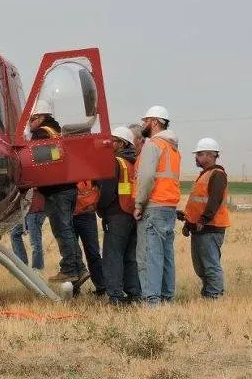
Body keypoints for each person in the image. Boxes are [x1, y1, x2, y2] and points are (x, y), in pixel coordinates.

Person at [30, 99, 87, 283]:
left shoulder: (40, 134)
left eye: (31, 119)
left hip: (56, 191)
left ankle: (70, 269)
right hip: (67, 188)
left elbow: (37, 163)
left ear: (39, 117)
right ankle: (80, 268)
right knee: (67, 229)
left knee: (63, 231)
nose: (29, 124)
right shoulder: (56, 132)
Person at [133, 106, 181, 305]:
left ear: (154, 122)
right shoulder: (172, 147)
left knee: (149, 255)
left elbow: (146, 177)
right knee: (166, 255)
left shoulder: (153, 145)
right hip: (169, 207)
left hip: (153, 206)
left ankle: (151, 301)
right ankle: (166, 298)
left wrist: (139, 203)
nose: (143, 124)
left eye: (146, 121)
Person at [179, 138, 230, 299]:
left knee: (210, 265)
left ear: (211, 155)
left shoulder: (217, 175)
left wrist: (203, 220)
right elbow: (197, 204)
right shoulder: (204, 175)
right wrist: (188, 223)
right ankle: (208, 293)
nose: (196, 157)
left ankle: (214, 295)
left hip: (210, 227)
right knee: (200, 266)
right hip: (200, 228)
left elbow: (214, 201)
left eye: (200, 154)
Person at [98, 126, 141, 305]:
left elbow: (107, 192)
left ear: (122, 143)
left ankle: (115, 296)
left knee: (112, 255)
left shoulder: (115, 162)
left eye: (113, 140)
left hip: (116, 214)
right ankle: (134, 293)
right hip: (133, 214)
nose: (109, 143)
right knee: (130, 257)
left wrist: (100, 209)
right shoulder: (134, 162)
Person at [72, 181, 106, 297]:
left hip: (87, 215)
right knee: (71, 254)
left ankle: (101, 288)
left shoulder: (88, 168)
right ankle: (74, 288)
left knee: (93, 253)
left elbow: (100, 186)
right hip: (68, 216)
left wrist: (94, 205)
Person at [10, 189, 46, 272]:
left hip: (36, 211)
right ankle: (22, 264)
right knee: (14, 234)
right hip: (29, 211)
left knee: (35, 241)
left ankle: (37, 268)